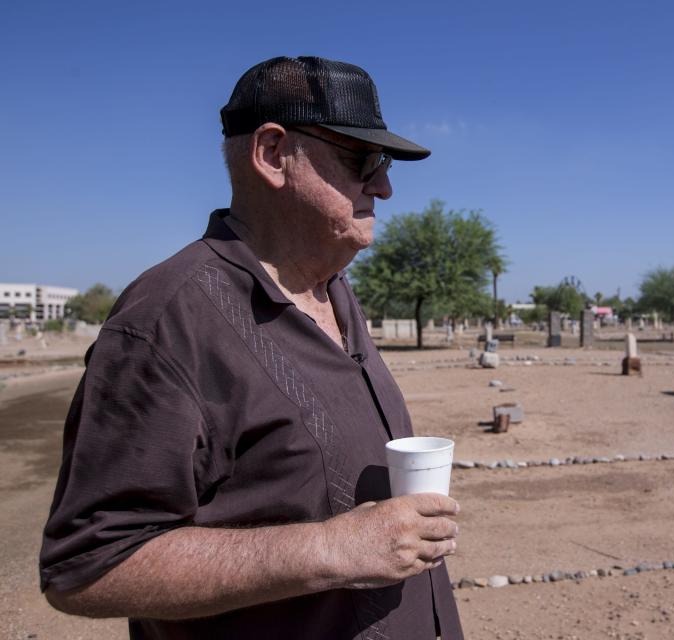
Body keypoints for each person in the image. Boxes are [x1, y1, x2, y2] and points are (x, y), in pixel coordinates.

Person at [39, 56, 464, 639]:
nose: (385, 187)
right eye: (364, 160)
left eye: (385, 164)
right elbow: (87, 567)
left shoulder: (334, 292)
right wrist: (330, 549)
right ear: (271, 153)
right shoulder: (167, 320)